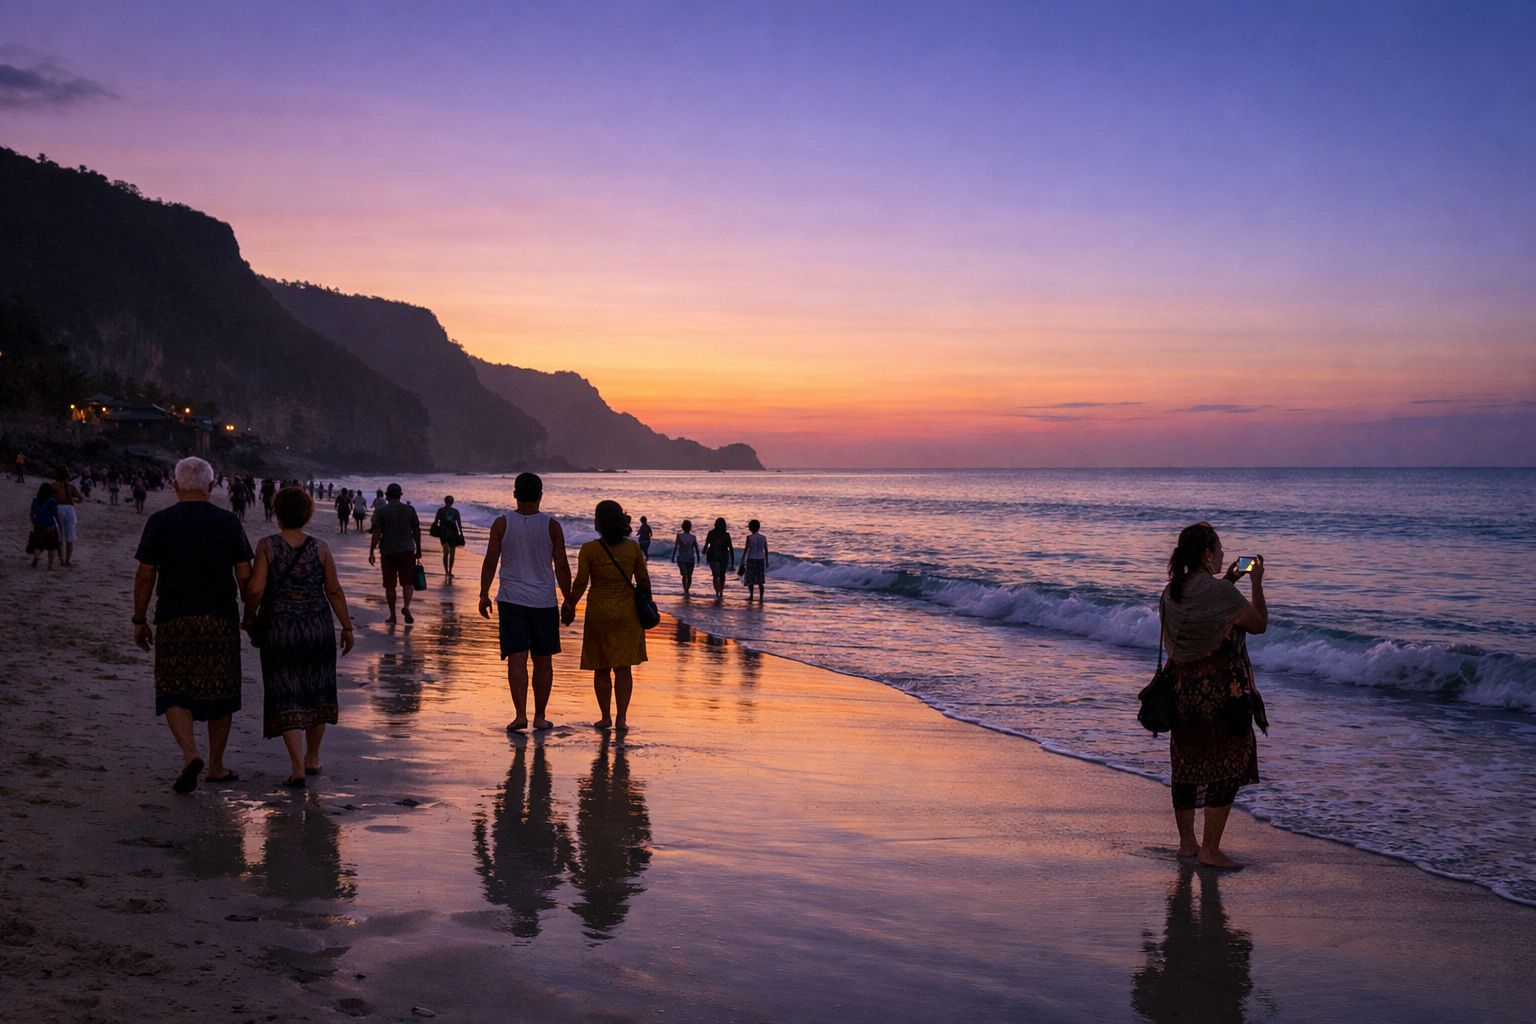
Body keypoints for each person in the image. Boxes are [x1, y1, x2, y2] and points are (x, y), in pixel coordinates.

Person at [131, 457, 254, 793]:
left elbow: (145, 575)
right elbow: (244, 574)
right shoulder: (228, 522)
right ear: (211, 487)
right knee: (222, 690)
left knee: (173, 686)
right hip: (219, 617)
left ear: (175, 486)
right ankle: (215, 766)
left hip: (174, 616)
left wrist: (140, 619)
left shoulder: (160, 522)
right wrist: (250, 613)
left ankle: (189, 754)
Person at [1160, 521, 1268, 871]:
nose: (1223, 554)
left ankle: (1187, 844)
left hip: (1181, 695)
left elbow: (1204, 607)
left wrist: (1230, 580)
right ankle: (1211, 850)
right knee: (1226, 766)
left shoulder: (1171, 591)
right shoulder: (1220, 594)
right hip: (1222, 697)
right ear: (1207, 554)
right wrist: (1255, 583)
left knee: (1187, 764)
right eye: (1219, 549)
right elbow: (1257, 623)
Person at [244, 486, 353, 788]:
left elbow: (255, 589)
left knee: (285, 690)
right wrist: (346, 626)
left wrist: (250, 614)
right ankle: (313, 757)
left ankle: (296, 767)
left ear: (277, 513)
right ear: (308, 513)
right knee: (318, 689)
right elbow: (333, 589)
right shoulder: (321, 547)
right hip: (317, 626)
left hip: (280, 627)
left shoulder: (267, 546)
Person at [478, 473, 572, 731]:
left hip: (511, 600)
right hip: (544, 601)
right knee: (543, 660)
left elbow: (490, 561)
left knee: (516, 659)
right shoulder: (552, 525)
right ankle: (540, 716)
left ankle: (520, 715)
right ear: (541, 495)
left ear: (515, 495)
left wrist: (483, 593)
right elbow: (562, 566)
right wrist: (569, 599)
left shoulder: (501, 524)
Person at [563, 500, 650, 732]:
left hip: (599, 612)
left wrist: (570, 604)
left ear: (598, 522)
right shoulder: (632, 548)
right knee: (623, 668)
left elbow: (581, 582)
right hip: (627, 612)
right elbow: (643, 580)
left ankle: (605, 717)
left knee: (601, 667)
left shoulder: (590, 549)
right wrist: (648, 606)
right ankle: (621, 719)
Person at [368, 482, 421, 625]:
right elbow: (416, 530)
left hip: (388, 551)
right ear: (400, 495)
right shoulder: (409, 509)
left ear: (387, 495)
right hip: (407, 550)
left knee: (390, 585)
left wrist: (371, 550)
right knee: (408, 582)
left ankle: (393, 615)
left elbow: (377, 532)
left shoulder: (382, 511)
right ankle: (406, 606)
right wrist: (419, 548)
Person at [51, 467, 82, 567]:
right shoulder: (71, 487)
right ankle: (68, 561)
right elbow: (81, 498)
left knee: (59, 535)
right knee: (70, 536)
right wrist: (72, 499)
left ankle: (61, 560)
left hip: (58, 507)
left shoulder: (54, 486)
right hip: (69, 508)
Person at [431, 495, 466, 582]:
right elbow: (459, 525)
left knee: (445, 553)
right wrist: (461, 535)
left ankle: (446, 571)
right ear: (452, 502)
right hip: (453, 534)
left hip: (444, 534)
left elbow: (436, 522)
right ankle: (450, 571)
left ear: (445, 501)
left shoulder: (440, 511)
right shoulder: (455, 512)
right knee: (452, 554)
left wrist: (437, 530)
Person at [27, 482, 60, 569]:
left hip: (38, 525)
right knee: (51, 546)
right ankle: (50, 566)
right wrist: (59, 524)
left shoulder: (35, 499)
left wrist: (34, 522)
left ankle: (37, 556)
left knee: (38, 544)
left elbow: (31, 514)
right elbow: (55, 514)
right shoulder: (52, 501)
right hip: (50, 526)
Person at [739, 519, 770, 601]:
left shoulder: (749, 538)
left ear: (750, 528)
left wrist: (742, 560)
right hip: (760, 559)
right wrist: (767, 561)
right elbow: (766, 550)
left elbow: (746, 549)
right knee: (760, 580)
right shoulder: (763, 537)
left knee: (750, 579)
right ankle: (761, 598)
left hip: (751, 559)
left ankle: (751, 596)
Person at [703, 517, 734, 599]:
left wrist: (703, 552)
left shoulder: (711, 533)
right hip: (723, 556)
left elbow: (706, 544)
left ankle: (717, 591)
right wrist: (733, 562)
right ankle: (720, 591)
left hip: (713, 555)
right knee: (722, 575)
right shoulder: (726, 535)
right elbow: (731, 548)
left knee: (716, 575)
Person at [672, 519, 700, 597]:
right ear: (690, 527)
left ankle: (685, 590)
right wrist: (698, 558)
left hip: (682, 558)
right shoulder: (693, 537)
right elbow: (696, 548)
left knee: (684, 575)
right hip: (691, 558)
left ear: (682, 527)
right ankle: (687, 589)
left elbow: (675, 547)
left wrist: (673, 557)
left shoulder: (679, 536)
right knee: (689, 575)